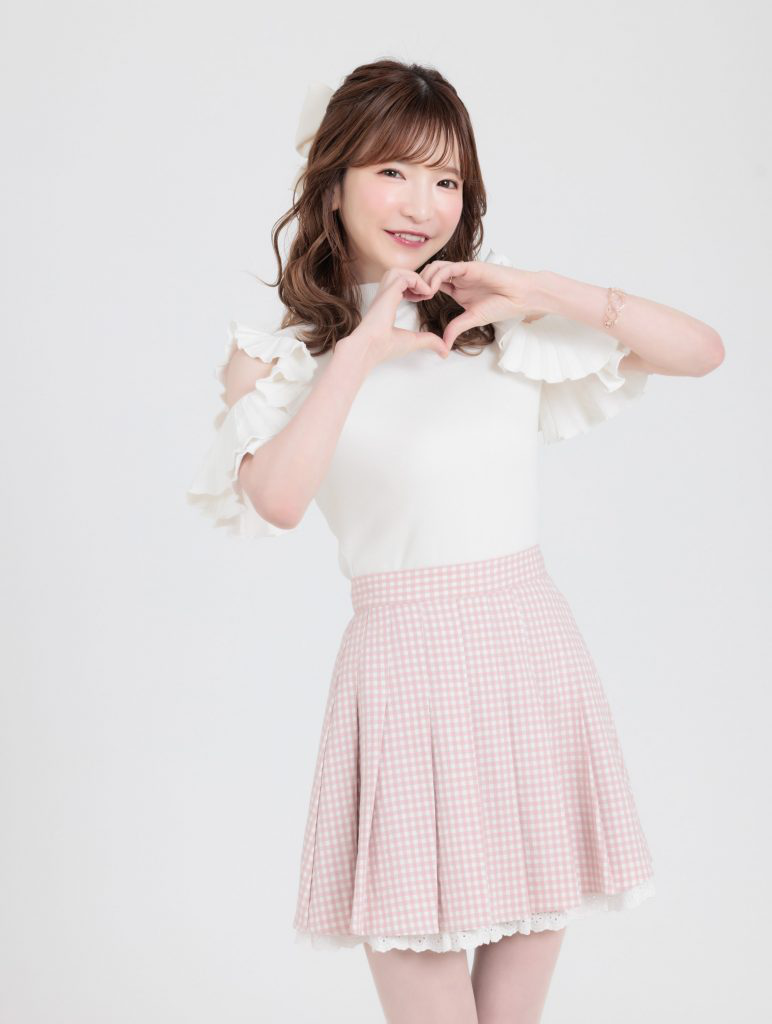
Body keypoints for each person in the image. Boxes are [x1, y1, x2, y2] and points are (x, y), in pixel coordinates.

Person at [186, 60, 724, 1024]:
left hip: (528, 656)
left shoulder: (495, 322)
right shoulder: (281, 357)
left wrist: (543, 288)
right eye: (393, 171)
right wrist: (357, 350)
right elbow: (278, 500)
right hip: (401, 670)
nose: (421, 204)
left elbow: (702, 352)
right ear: (333, 181)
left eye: (446, 180)